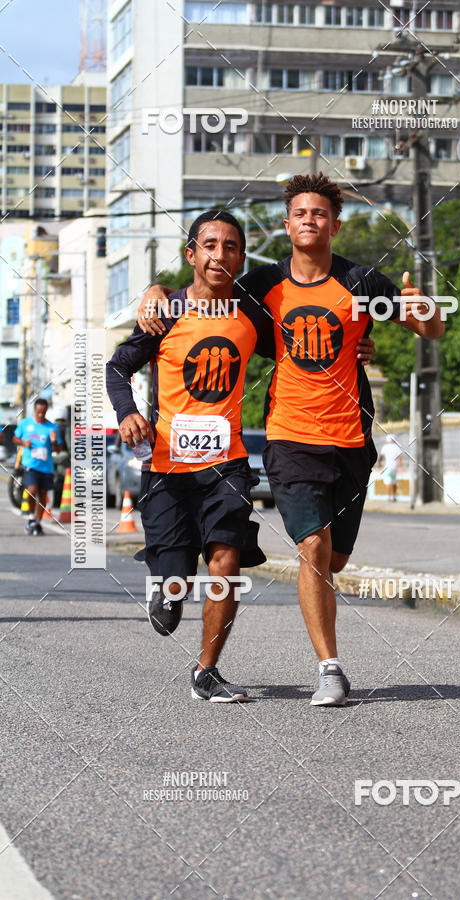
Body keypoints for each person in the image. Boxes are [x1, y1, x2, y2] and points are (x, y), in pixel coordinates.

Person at [138, 173, 444, 707]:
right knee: (312, 547)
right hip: (288, 436)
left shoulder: (363, 281)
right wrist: (156, 290)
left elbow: (431, 331)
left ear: (335, 224)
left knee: (336, 559)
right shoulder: (260, 284)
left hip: (351, 437)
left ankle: (305, 649)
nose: (309, 220)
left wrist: (424, 309)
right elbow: (205, 285)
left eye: (319, 213)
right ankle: (330, 670)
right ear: (287, 225)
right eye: (300, 213)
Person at [106, 210, 275, 703]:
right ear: (192, 254)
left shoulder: (251, 317)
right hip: (166, 467)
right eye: (209, 245)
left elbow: (302, 349)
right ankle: (167, 586)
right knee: (177, 581)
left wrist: (360, 346)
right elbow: (118, 367)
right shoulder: (166, 313)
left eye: (230, 246)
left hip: (228, 463)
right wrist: (126, 413)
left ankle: (207, 671)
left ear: (241, 258)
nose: (219, 254)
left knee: (227, 559)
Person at [13, 398, 61, 536]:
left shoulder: (52, 428)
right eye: (39, 412)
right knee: (32, 490)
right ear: (35, 410)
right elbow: (14, 439)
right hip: (30, 466)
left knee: (43, 495)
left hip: (46, 468)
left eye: (43, 412)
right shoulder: (25, 423)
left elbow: (58, 449)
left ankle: (37, 523)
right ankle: (31, 517)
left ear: (46, 411)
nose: (41, 414)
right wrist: (23, 442)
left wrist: (53, 441)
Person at [379, 435, 403, 501]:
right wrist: (400, 466)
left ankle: (389, 497)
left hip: (387, 467)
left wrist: (379, 463)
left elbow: (381, 456)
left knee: (388, 482)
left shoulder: (385, 447)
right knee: (394, 482)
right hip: (394, 467)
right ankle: (394, 496)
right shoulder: (396, 447)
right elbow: (399, 457)